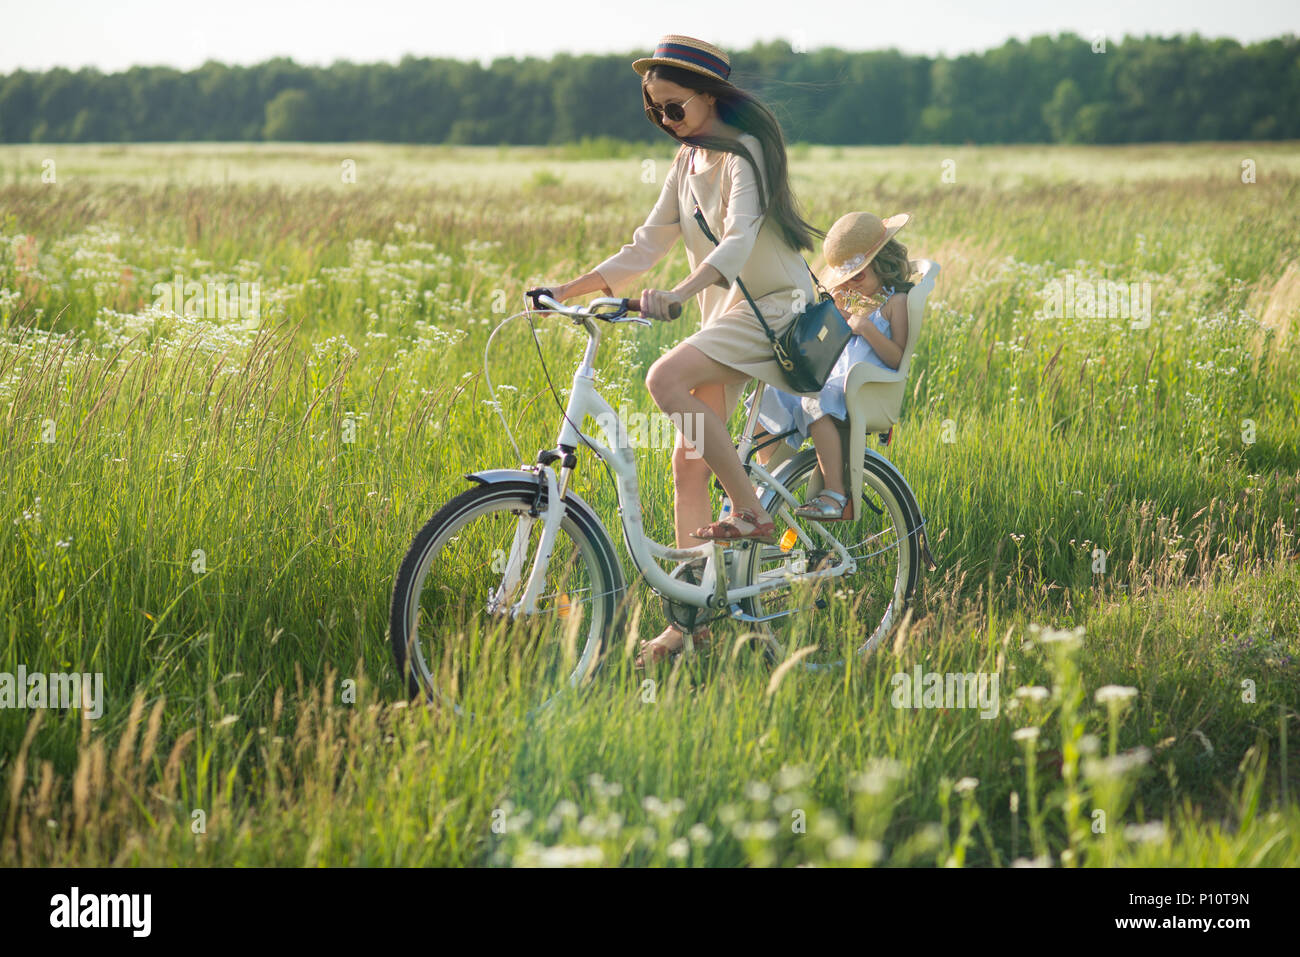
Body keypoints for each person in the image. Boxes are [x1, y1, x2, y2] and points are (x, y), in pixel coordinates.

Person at [543, 34, 824, 664]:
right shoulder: (687, 161)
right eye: (655, 112)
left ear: (709, 96)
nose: (665, 123)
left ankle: (751, 512)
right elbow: (647, 244)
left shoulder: (743, 153)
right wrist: (568, 288)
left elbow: (737, 240)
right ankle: (689, 626)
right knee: (687, 465)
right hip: (726, 313)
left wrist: (678, 292)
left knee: (664, 379)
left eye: (674, 109)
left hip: (772, 310)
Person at [750, 211, 915, 522]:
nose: (853, 285)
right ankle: (767, 482)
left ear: (882, 263)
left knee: (815, 399)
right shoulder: (854, 301)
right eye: (846, 280)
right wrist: (834, 312)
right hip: (836, 378)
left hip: (866, 388)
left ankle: (835, 493)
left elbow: (897, 358)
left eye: (859, 276)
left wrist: (866, 328)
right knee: (774, 392)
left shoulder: (895, 303)